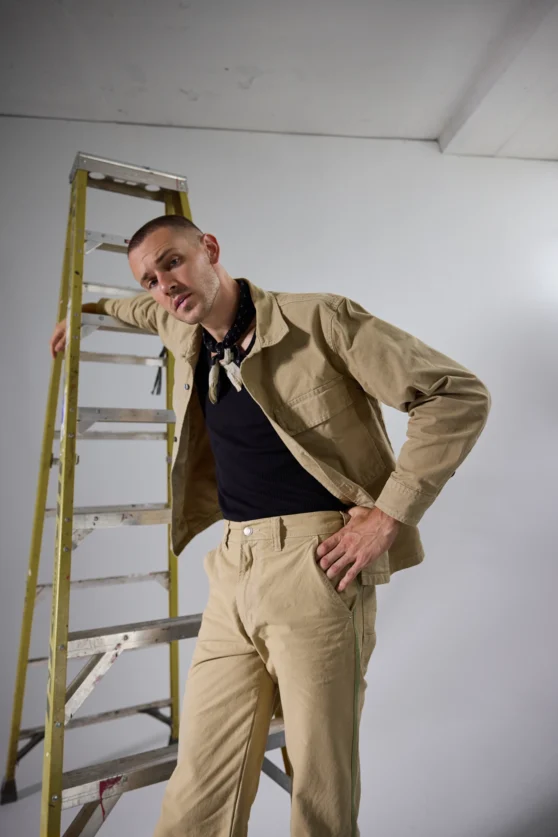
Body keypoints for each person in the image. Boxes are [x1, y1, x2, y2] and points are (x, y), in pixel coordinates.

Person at [50, 215, 491, 837]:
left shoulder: (319, 320)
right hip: (232, 569)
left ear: (210, 249)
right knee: (199, 785)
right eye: (151, 279)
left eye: (173, 262)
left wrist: (388, 515)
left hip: (318, 565)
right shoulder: (182, 327)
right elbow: (143, 311)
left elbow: (456, 395)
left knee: (318, 785)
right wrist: (88, 308)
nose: (165, 286)